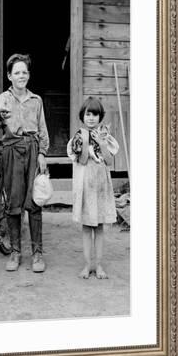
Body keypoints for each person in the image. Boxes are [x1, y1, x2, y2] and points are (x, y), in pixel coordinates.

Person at [0, 53, 49, 273]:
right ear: (9, 76)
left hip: (33, 149)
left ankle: (37, 254)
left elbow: (43, 129)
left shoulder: (36, 100)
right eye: (17, 72)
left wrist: (43, 154)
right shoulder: (3, 99)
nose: (21, 75)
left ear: (28, 75)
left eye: (24, 72)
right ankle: (15, 252)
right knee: (14, 203)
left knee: (34, 202)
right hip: (11, 151)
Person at [67, 97, 119, 279]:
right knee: (87, 227)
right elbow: (81, 159)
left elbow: (109, 160)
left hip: (101, 186)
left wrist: (102, 142)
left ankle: (99, 266)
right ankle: (87, 265)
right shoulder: (78, 137)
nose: (91, 118)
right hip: (86, 185)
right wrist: (87, 142)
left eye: (95, 115)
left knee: (99, 228)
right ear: (82, 116)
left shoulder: (105, 136)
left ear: (100, 117)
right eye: (88, 114)